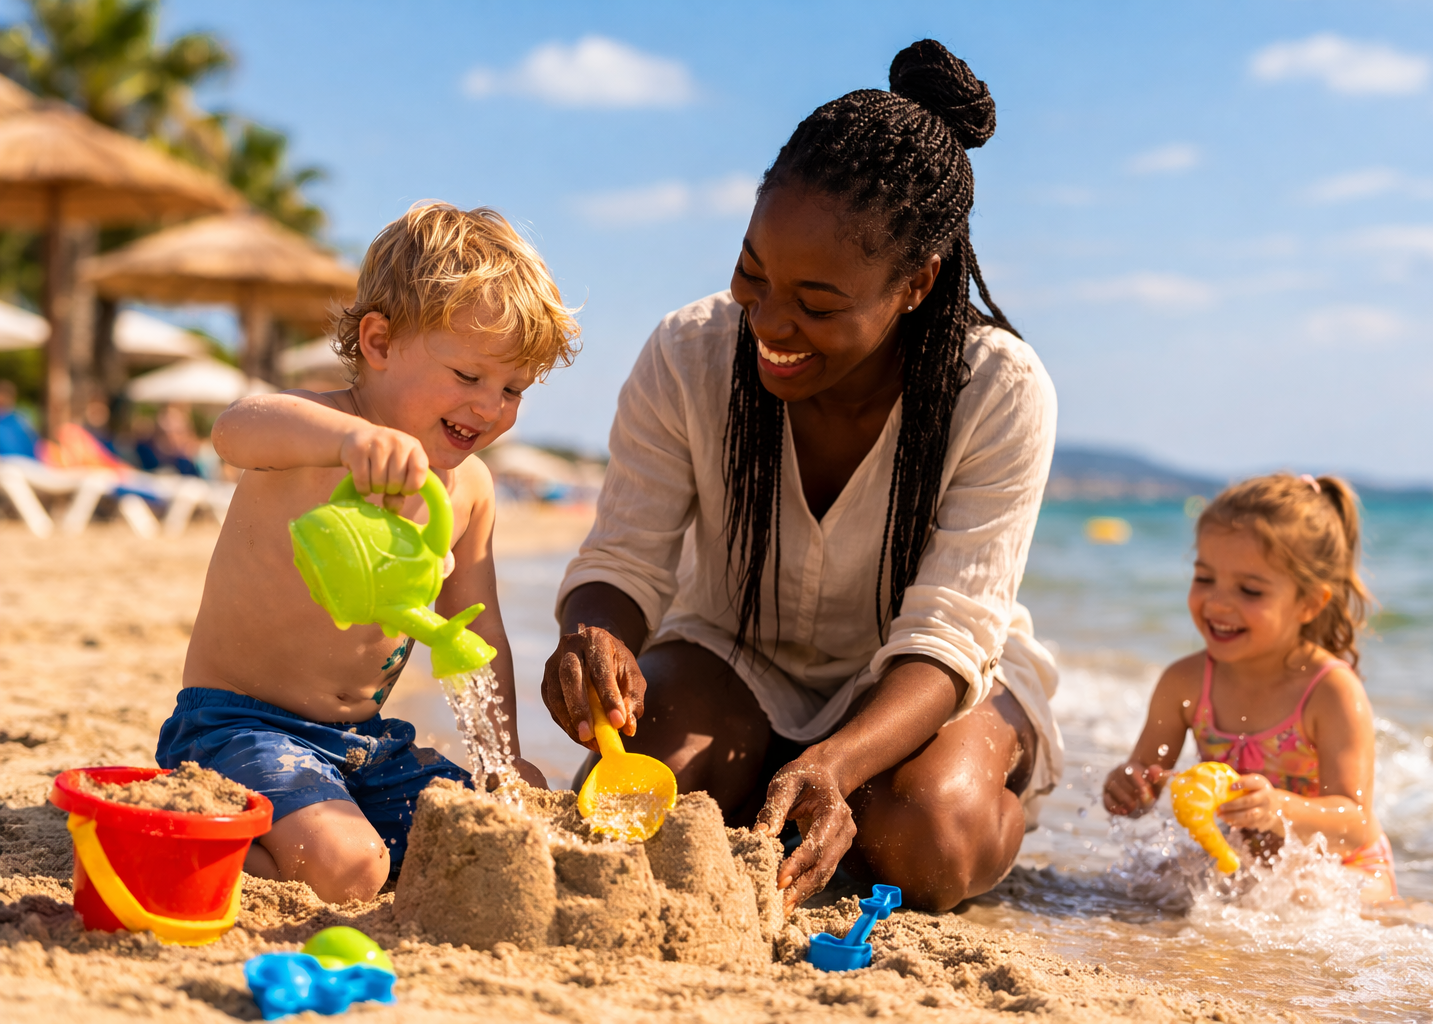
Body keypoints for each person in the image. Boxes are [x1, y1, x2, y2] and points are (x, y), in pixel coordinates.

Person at [542, 40, 1062, 913]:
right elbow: (625, 559)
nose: (771, 323)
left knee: (928, 840)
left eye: (818, 305)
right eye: (752, 273)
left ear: (916, 285)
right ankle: (791, 787)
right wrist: (594, 635)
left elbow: (950, 633)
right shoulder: (688, 353)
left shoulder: (998, 390)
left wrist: (836, 762)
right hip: (736, 653)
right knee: (644, 803)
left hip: (930, 681)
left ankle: (921, 798)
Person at [157, 202, 578, 903]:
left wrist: (501, 760)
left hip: (365, 743)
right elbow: (233, 430)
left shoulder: (469, 489)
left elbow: (478, 628)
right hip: (237, 725)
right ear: (378, 343)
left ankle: (300, 829)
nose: (490, 407)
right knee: (353, 869)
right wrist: (347, 443)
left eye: (513, 390)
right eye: (469, 377)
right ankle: (196, 829)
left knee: (491, 840)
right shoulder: (318, 431)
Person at [1103, 473, 1396, 902]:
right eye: (1204, 578)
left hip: (1342, 868)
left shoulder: (1330, 691)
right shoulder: (1184, 682)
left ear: (1310, 603)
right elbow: (1149, 778)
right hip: (1240, 858)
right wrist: (1130, 787)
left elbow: (1356, 826)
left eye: (1250, 589)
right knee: (1156, 883)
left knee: (1307, 897)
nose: (1219, 602)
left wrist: (1280, 809)